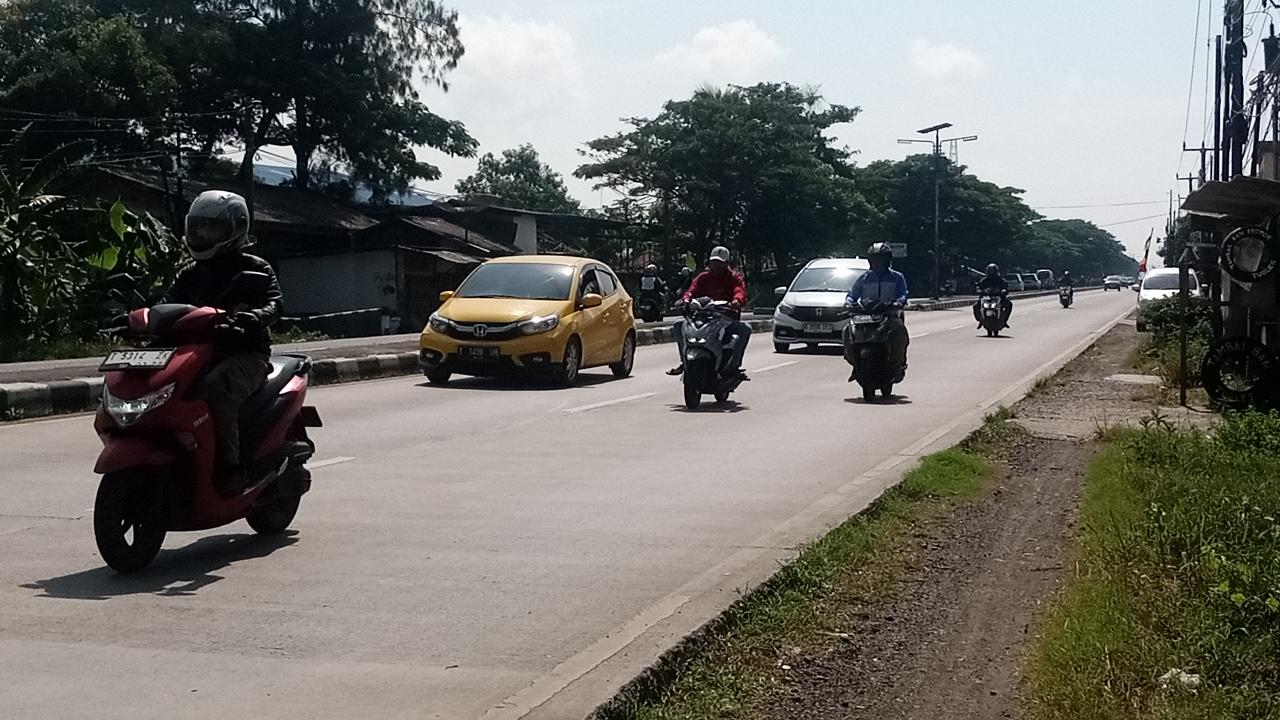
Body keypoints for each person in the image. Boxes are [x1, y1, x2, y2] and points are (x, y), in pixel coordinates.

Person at [162, 190, 283, 496]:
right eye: (199, 226)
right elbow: (165, 304)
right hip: (192, 353)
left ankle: (231, 467)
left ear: (236, 229)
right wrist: (137, 318)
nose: (202, 234)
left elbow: (275, 303)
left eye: (211, 228)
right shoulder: (189, 273)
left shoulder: (257, 267)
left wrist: (256, 316)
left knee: (217, 388)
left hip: (245, 354)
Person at [667, 246, 751, 378]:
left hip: (726, 318)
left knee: (745, 330)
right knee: (679, 325)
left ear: (726, 264)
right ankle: (685, 361)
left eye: (720, 263)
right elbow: (692, 290)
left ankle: (734, 366)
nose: (716, 266)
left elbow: (739, 291)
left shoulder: (734, 277)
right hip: (702, 317)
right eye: (714, 262)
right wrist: (685, 299)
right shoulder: (703, 277)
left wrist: (736, 301)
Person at [844, 242, 910, 382]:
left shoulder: (897, 277)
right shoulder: (864, 278)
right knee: (847, 330)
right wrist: (849, 303)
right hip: (865, 316)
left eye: (881, 259)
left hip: (888, 315)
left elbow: (903, 293)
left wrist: (899, 302)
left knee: (899, 330)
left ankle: (897, 366)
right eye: (875, 259)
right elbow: (852, 294)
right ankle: (856, 364)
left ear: (888, 260)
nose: (878, 262)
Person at [974, 263, 1012, 328]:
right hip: (986, 298)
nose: (991, 272)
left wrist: (1004, 291)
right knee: (975, 306)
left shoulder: (1000, 280)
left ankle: (1005, 320)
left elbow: (1005, 287)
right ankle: (980, 320)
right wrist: (979, 291)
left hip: (999, 297)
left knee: (1009, 304)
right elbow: (979, 287)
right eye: (990, 271)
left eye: (992, 271)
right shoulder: (984, 280)